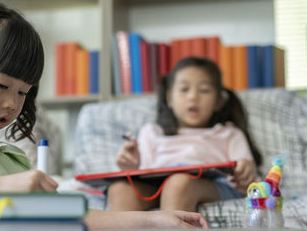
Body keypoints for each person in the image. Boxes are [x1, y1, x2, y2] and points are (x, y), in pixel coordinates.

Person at [0, 3, 208, 230]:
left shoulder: (12, 159)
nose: (13, 103)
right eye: (1, 85)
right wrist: (1, 187)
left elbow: (72, 215)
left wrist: (152, 221)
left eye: (24, 92)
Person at [108, 57, 262, 212]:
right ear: (169, 98)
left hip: (209, 187)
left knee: (178, 184)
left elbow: (247, 173)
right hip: (157, 186)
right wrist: (131, 165)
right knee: (120, 189)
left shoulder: (229, 133)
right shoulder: (152, 132)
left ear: (218, 101)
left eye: (204, 90)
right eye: (184, 89)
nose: (193, 97)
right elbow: (145, 171)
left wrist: (246, 170)